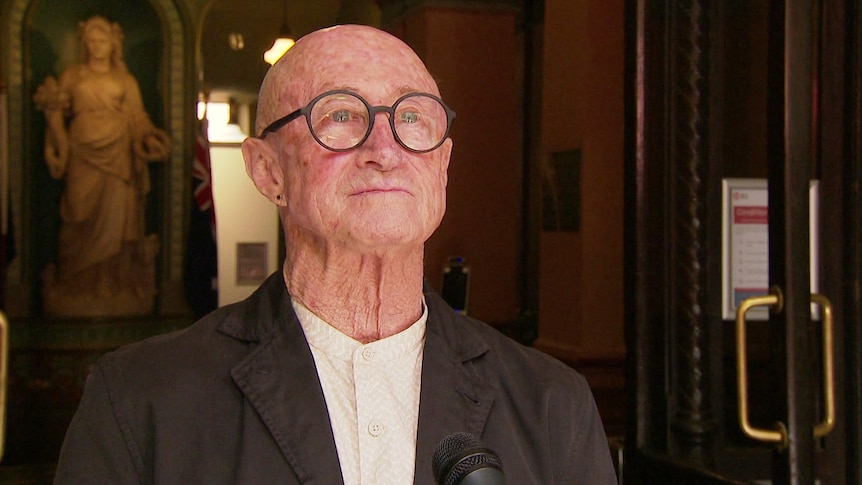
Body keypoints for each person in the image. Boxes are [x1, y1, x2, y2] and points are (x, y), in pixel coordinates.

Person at [54, 24, 617, 484]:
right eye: (340, 115)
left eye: (413, 117)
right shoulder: (140, 401)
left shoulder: (552, 405)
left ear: (442, 166)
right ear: (267, 171)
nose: (385, 149)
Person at [33, 15, 169, 316]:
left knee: (116, 224)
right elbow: (55, 116)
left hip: (119, 157)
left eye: (102, 41)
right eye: (91, 42)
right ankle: (75, 284)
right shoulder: (72, 76)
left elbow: (138, 118)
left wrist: (149, 138)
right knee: (77, 215)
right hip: (81, 155)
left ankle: (110, 282)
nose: (96, 47)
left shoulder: (126, 81)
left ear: (113, 45)